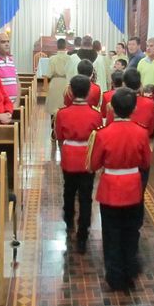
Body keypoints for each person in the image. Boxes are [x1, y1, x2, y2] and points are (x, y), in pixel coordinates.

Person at [88, 87, 152, 291]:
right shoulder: (141, 132)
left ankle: (114, 276)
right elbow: (146, 162)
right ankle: (130, 272)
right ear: (134, 109)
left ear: (112, 108)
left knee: (111, 234)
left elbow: (94, 164)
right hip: (133, 187)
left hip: (110, 189)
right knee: (131, 231)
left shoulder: (103, 134)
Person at [55, 75, 102, 254]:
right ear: (89, 92)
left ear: (71, 92)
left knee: (68, 190)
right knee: (85, 196)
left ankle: (68, 221)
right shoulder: (95, 114)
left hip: (69, 156)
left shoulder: (62, 113)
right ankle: (83, 233)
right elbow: (98, 138)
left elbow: (59, 136)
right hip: (87, 157)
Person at [106, 69, 154, 137]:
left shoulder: (115, 101)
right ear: (140, 84)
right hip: (142, 137)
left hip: (116, 137)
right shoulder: (150, 103)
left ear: (123, 84)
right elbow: (150, 130)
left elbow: (109, 126)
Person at [45, 38, 70, 117]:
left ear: (57, 46)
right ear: (65, 46)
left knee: (53, 108)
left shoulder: (52, 58)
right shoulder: (69, 58)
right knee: (65, 107)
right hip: (66, 83)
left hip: (55, 82)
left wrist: (45, 86)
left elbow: (48, 74)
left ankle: (53, 123)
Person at [0, 32, 18, 103]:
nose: (7, 44)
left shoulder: (11, 60)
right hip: (1, 104)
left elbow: (17, 82)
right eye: (3, 42)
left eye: (8, 41)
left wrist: (17, 102)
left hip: (13, 104)